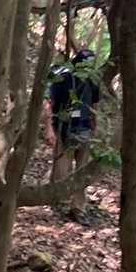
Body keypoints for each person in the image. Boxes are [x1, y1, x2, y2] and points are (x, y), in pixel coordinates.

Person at [49, 47, 101, 215]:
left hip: (79, 127)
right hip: (68, 127)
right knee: (69, 166)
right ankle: (65, 201)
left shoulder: (88, 79)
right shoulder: (65, 77)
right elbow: (51, 102)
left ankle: (69, 202)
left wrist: (94, 124)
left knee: (75, 166)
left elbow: (94, 105)